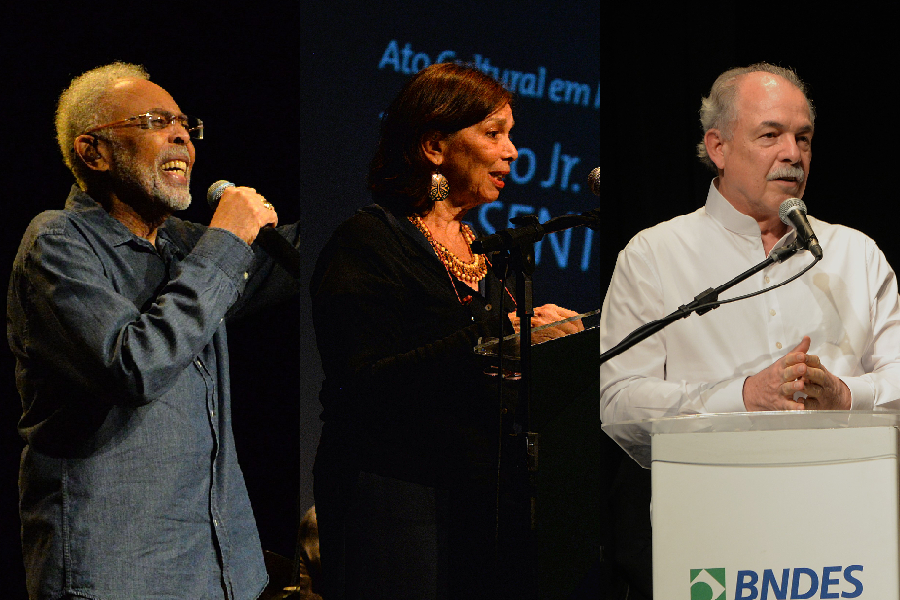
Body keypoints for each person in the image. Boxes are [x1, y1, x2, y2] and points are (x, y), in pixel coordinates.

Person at [7, 62, 303, 599]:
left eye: (185, 123)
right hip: (118, 574)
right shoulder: (56, 242)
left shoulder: (182, 245)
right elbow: (134, 365)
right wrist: (227, 240)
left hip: (221, 575)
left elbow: (311, 257)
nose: (181, 135)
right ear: (93, 151)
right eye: (154, 121)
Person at [310, 62, 581, 600]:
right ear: (434, 146)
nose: (512, 152)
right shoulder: (368, 242)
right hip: (396, 501)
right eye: (493, 133)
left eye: (511, 135)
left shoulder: (487, 253)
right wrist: (500, 338)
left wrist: (549, 344)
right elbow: (359, 383)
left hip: (483, 503)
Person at [599, 62, 900, 425]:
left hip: (842, 462)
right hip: (711, 464)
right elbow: (618, 401)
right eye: (771, 135)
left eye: (803, 138)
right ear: (718, 147)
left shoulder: (858, 254)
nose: (793, 154)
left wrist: (846, 396)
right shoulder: (652, 255)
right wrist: (742, 397)